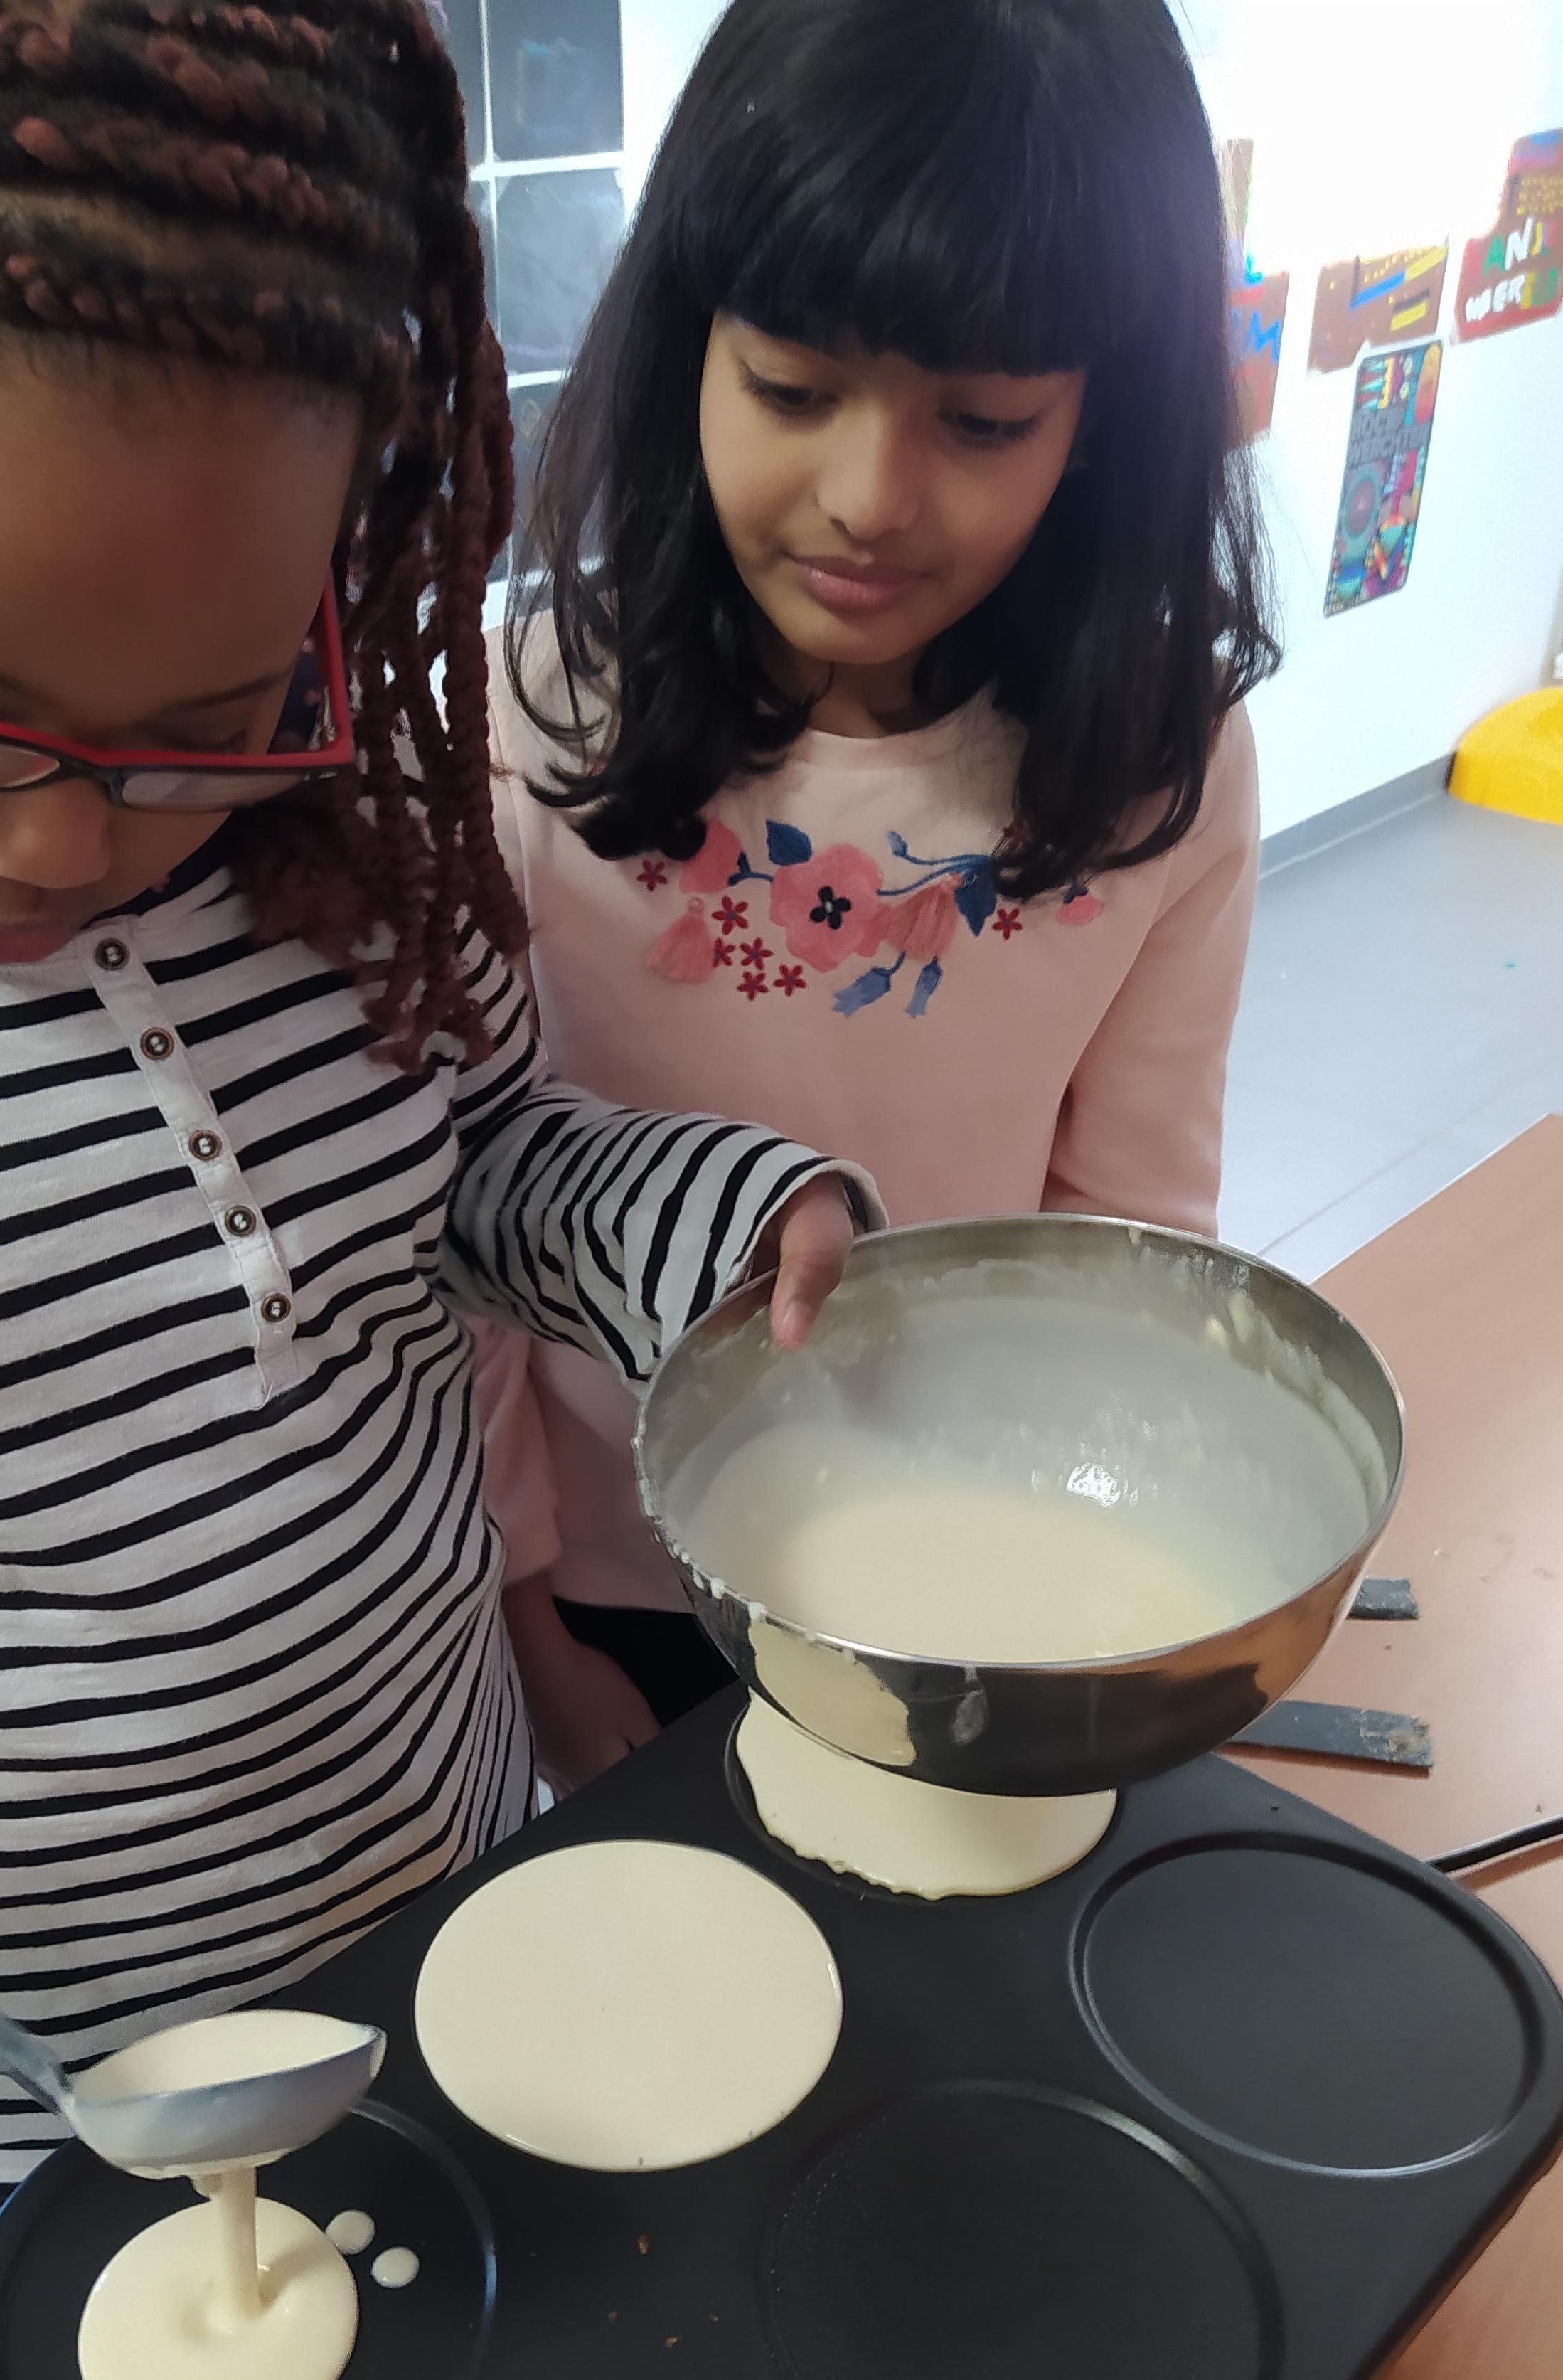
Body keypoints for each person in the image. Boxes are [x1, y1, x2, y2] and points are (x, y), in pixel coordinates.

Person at [0, 0, 866, 2286]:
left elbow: (465, 1177)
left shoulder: (346, 808)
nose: (65, 847)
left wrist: (715, 1219)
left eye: (199, 726)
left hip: (443, 1919)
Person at [484, 0, 1276, 1790]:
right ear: (690, 338)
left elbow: (1132, 1232)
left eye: (983, 419)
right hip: (614, 1564)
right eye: (790, 388)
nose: (866, 498)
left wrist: (1087, 1576)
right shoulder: (534, 730)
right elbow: (465, 1231)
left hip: (963, 1551)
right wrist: (521, 1604)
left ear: (1105, 415)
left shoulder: (1162, 761)